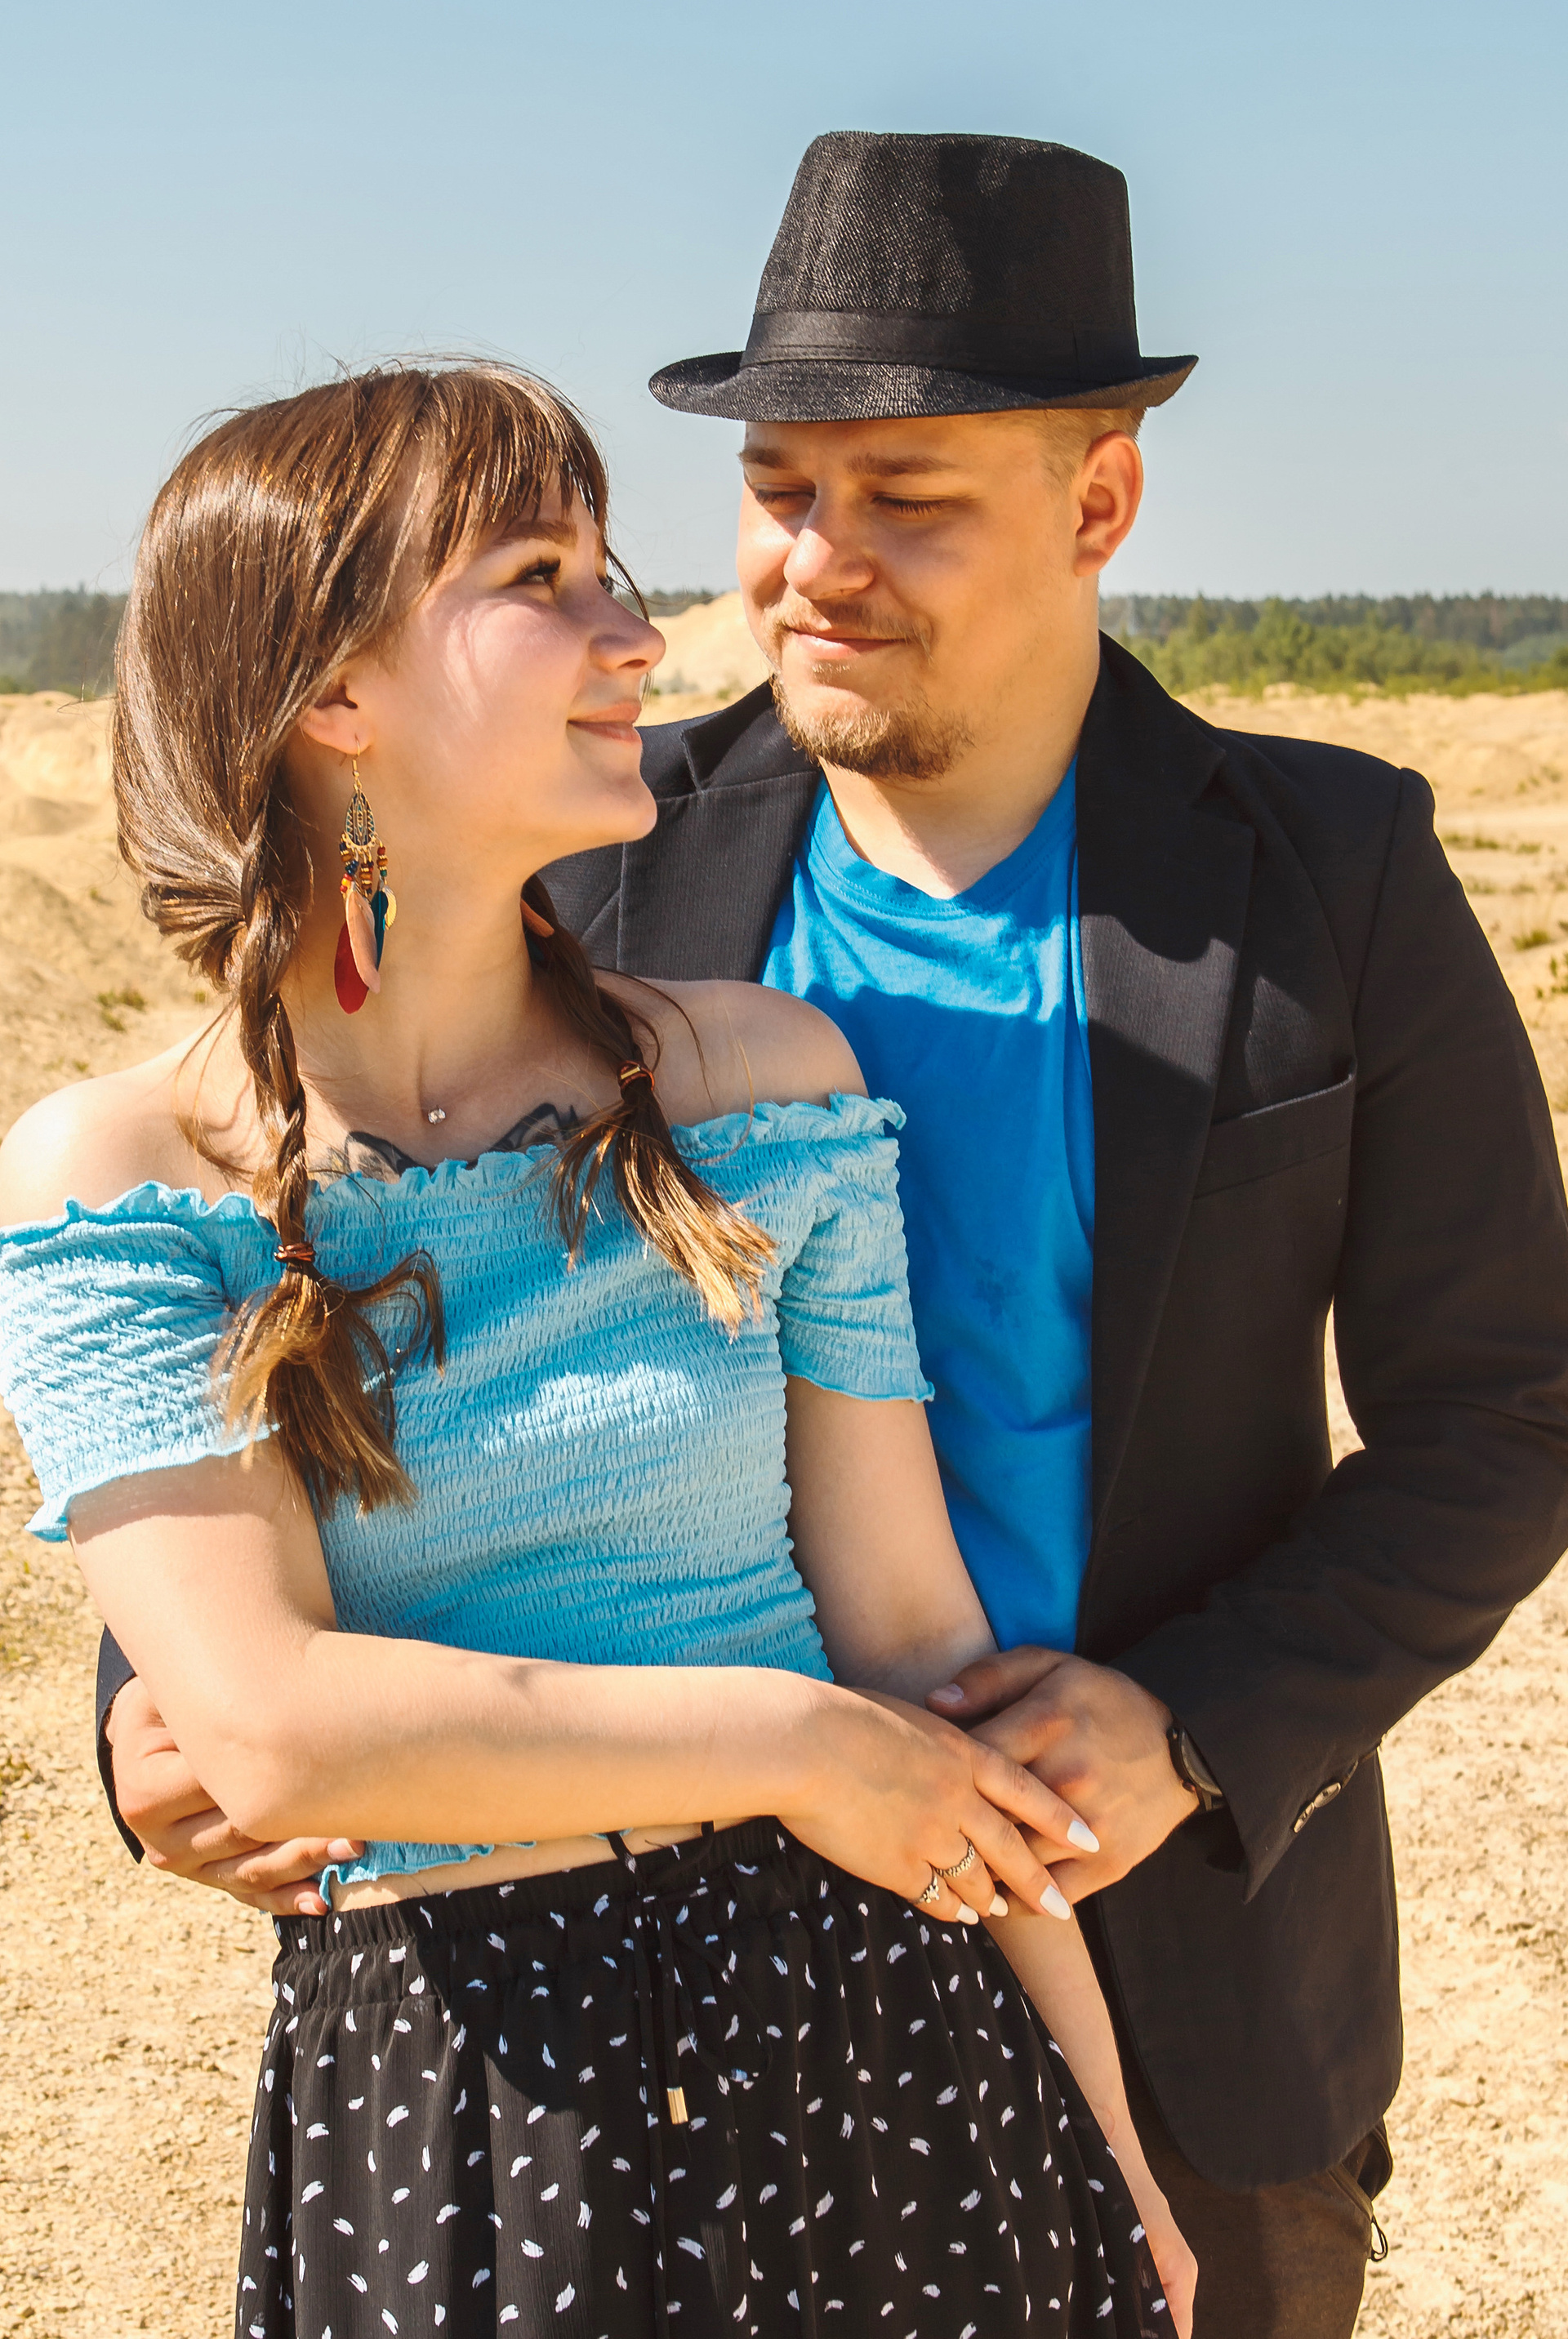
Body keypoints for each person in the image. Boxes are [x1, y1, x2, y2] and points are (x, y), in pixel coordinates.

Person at [101, 133, 1568, 2334]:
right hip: (633, 2002)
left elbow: (1510, 1413)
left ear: (1100, 504)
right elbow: (284, 1250)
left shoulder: (1333, 870)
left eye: (909, 499)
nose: (813, 562)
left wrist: (1186, 1726)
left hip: (1176, 1957)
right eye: (780, 488)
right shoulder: (582, 851)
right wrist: (156, 1707)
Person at [0, 363, 1190, 2337]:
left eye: (611, 570)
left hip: (886, 2045)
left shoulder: (769, 1086)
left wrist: (1108, 2136)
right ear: (332, 691)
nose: (638, 634)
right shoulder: (116, 1181)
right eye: (540, 578)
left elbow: (918, 1653)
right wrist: (793, 1742)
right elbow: (271, 1723)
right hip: (466, 2113)